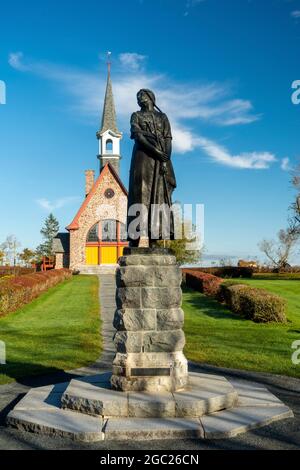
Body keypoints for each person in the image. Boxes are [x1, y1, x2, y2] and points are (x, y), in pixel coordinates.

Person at [127, 89, 176, 247]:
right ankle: (135, 239)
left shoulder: (163, 117)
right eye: (137, 97)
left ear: (150, 98)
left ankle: (155, 239)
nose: (139, 98)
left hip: (160, 160)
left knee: (159, 196)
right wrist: (156, 151)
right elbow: (138, 136)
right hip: (143, 158)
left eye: (141, 95)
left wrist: (165, 157)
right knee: (139, 194)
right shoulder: (136, 116)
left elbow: (168, 138)